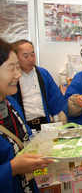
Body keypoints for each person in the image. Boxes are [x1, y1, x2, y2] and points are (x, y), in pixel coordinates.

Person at [0, 38, 53, 193]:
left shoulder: (10, 103)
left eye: (18, 67)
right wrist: (12, 168)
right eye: (12, 68)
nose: (18, 74)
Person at [12, 40, 64, 131]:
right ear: (16, 57)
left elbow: (54, 100)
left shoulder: (43, 74)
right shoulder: (13, 77)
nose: (30, 59)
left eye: (32, 55)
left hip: (44, 124)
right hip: (23, 125)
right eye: (25, 56)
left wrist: (57, 124)